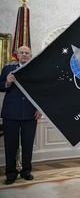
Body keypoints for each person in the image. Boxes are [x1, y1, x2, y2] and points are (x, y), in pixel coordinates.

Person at [0, 46, 42, 185]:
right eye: (21, 53)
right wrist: (7, 81)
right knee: (10, 145)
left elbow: (41, 91)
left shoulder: (36, 69)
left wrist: (39, 108)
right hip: (10, 113)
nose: (24, 55)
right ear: (17, 55)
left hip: (30, 113)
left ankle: (26, 171)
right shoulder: (7, 69)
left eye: (27, 53)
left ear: (30, 56)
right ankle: (11, 173)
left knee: (27, 144)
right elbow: (0, 86)